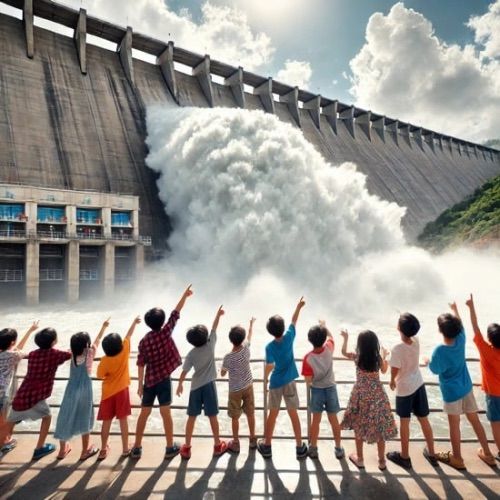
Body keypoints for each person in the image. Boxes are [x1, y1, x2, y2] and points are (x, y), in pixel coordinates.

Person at [427, 302, 496, 469]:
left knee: (454, 426)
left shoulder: (440, 351)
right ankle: (488, 454)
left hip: (451, 394)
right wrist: (455, 310)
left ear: (440, 331)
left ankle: (457, 458)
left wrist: (426, 360)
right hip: (466, 388)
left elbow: (434, 369)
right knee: (475, 421)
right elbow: (461, 325)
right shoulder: (461, 339)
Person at [131, 285, 193, 460]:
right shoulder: (166, 333)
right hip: (164, 379)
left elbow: (141, 363)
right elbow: (176, 313)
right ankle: (169, 447)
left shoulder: (144, 342)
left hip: (149, 381)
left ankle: (136, 447)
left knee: (144, 414)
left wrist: (140, 385)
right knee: (166, 414)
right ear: (161, 322)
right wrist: (185, 296)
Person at [1, 327, 71, 460]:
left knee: (10, 422)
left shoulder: (32, 354)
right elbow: (69, 355)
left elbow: (19, 352)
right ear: (54, 341)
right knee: (47, 417)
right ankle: (39, 447)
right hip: (37, 395)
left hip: (22, 395)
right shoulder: (55, 354)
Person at [257, 297, 308, 460]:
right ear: (282, 328)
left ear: (270, 331)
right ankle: (300, 447)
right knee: (293, 414)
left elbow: (270, 365)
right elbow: (294, 321)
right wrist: (299, 306)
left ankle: (267, 446)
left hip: (275, 384)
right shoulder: (289, 337)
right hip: (290, 382)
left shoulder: (269, 347)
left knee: (273, 414)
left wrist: (265, 379)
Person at [53, 318, 110, 460]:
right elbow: (97, 341)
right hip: (85, 389)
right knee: (85, 417)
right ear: (86, 344)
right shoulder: (90, 353)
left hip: (71, 388)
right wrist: (103, 327)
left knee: (66, 415)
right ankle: (85, 451)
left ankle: (62, 451)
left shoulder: (71, 354)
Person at [340, 329, 397, 470]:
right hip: (377, 396)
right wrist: (384, 355)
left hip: (360, 395)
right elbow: (384, 370)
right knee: (380, 428)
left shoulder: (357, 357)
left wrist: (346, 338)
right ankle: (382, 461)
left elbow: (343, 352)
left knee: (358, 427)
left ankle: (360, 459)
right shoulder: (377, 359)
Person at [386, 313, 437, 469]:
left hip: (405, 390)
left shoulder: (396, 348)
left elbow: (394, 370)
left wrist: (391, 380)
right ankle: (432, 454)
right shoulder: (416, 340)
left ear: (399, 328)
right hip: (418, 384)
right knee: (424, 419)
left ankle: (405, 457)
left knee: (404, 423)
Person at [176, 305, 227, 460]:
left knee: (192, 416)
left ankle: (186, 447)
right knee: (213, 416)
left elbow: (184, 371)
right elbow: (214, 328)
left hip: (195, 387)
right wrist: (218, 315)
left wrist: (180, 384)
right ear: (205, 338)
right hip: (209, 386)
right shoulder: (210, 346)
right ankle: (218, 445)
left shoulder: (191, 354)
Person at [96, 316, 141, 460]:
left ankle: (103, 449)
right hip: (122, 391)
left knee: (106, 421)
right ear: (120, 345)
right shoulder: (124, 351)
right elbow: (128, 335)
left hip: (108, 393)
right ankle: (125, 449)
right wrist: (134, 322)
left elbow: (99, 375)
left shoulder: (104, 360)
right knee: (123, 420)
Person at [301, 320, 344, 460]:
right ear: (324, 338)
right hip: (331, 388)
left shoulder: (307, 358)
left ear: (309, 340)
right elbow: (332, 338)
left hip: (317, 391)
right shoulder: (329, 348)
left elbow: (308, 381)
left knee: (316, 421)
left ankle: (313, 449)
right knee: (334, 420)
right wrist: (325, 326)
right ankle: (338, 449)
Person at [465, 294, 500, 462]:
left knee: (496, 424)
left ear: (490, 339)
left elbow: (475, 327)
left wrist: (471, 307)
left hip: (494, 395)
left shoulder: (487, 351)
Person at [0, 320, 39, 456]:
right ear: (12, 342)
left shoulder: (7, 353)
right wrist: (31, 331)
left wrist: (29, 330)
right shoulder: (13, 355)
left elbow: (16, 349)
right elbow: (21, 352)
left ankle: (5, 441)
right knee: (4, 422)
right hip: (2, 393)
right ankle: (3, 445)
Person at [221, 317, 257, 452]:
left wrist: (224, 368)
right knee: (250, 413)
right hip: (248, 386)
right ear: (242, 339)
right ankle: (253, 439)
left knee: (235, 417)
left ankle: (235, 443)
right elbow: (250, 335)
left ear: (231, 340)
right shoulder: (246, 348)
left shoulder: (228, 357)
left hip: (235, 390)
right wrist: (251, 324)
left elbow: (223, 374)